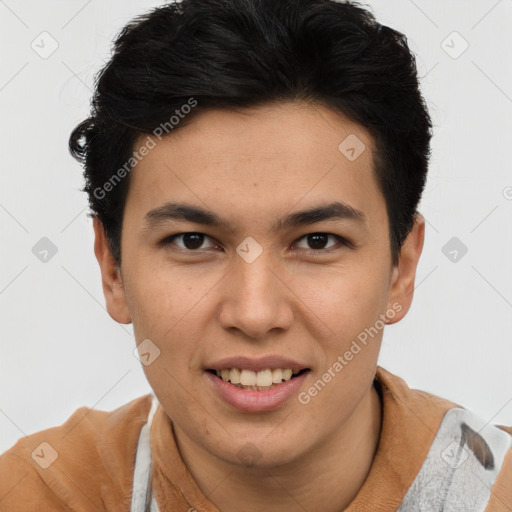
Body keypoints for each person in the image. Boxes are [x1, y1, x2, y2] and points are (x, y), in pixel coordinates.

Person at [1, 0, 510, 510]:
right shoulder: (35, 494)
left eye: (317, 241)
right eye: (193, 241)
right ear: (113, 270)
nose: (255, 313)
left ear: (401, 269)